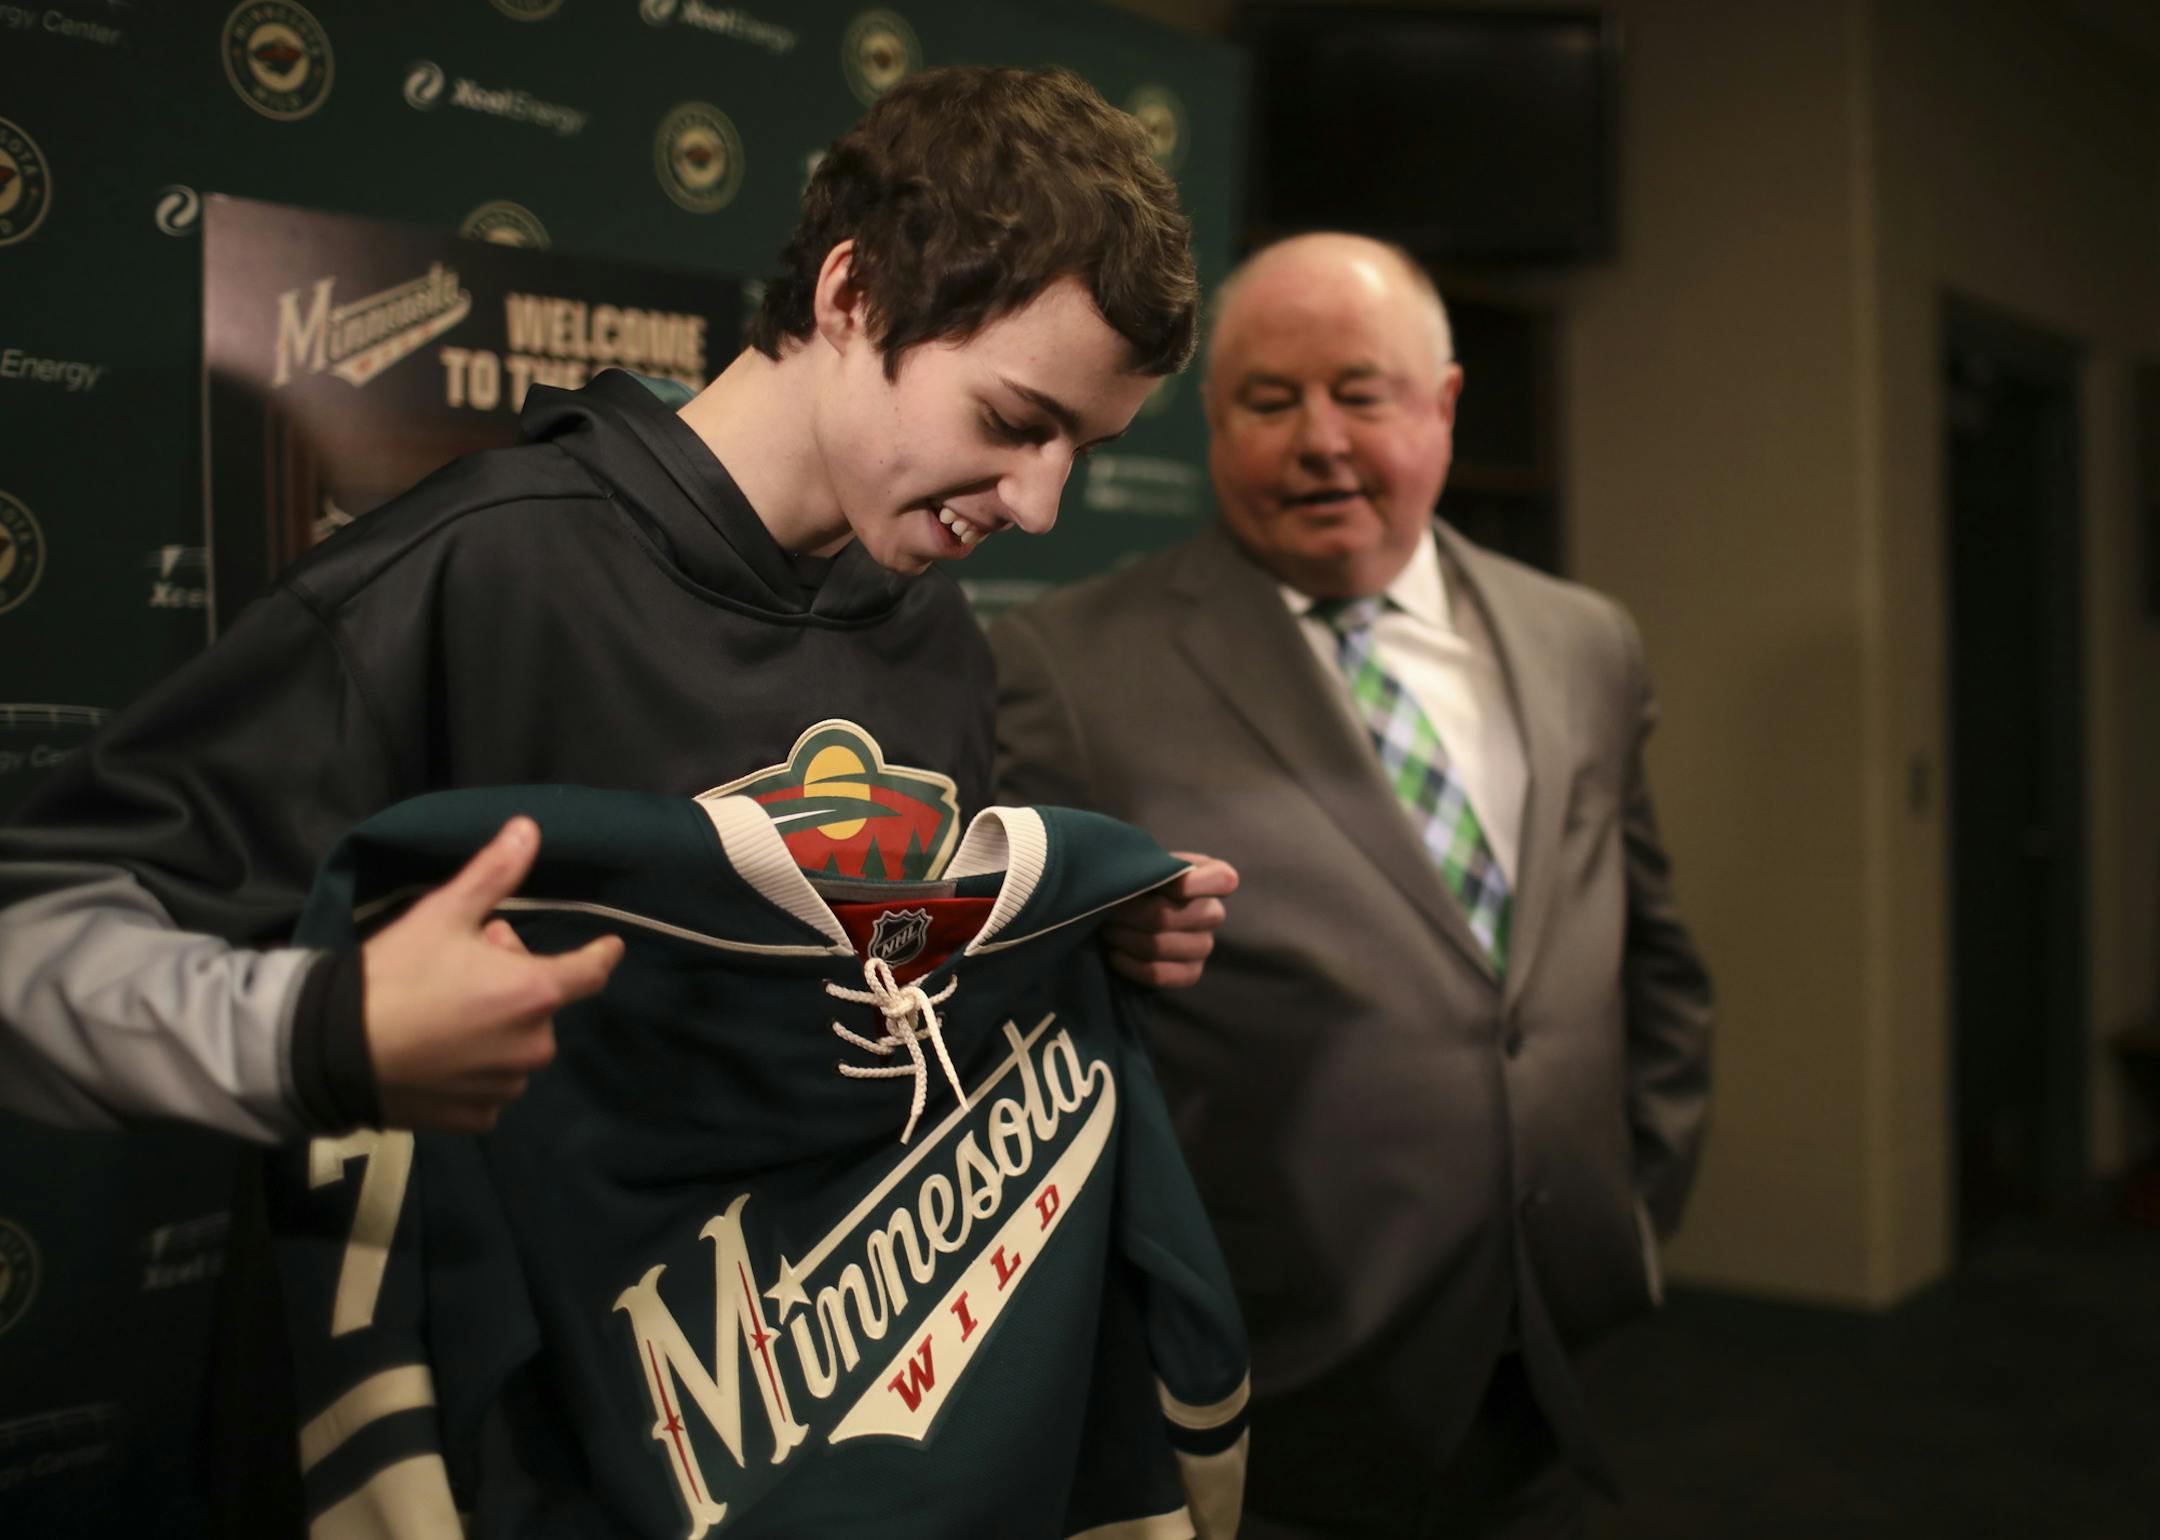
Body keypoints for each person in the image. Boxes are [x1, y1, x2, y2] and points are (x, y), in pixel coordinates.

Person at [0, 64, 1230, 1144]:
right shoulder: (481, 569)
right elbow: (34, 936)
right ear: (854, 296)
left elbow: (877, 999)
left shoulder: (935, 636)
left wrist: (1062, 936)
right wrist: (321, 1028)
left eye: (1085, 449)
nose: (1042, 505)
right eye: (1015, 423)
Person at [991, 232, 1715, 1537]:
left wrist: (1634, 1212)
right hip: (1273, 1389)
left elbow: (1650, 951)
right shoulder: (1065, 668)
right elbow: (1021, 1049)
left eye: (1362, 393)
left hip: (1555, 1349)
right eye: (1270, 400)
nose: (1319, 440)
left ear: (1440, 407)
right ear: (1210, 423)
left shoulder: (1582, 640)